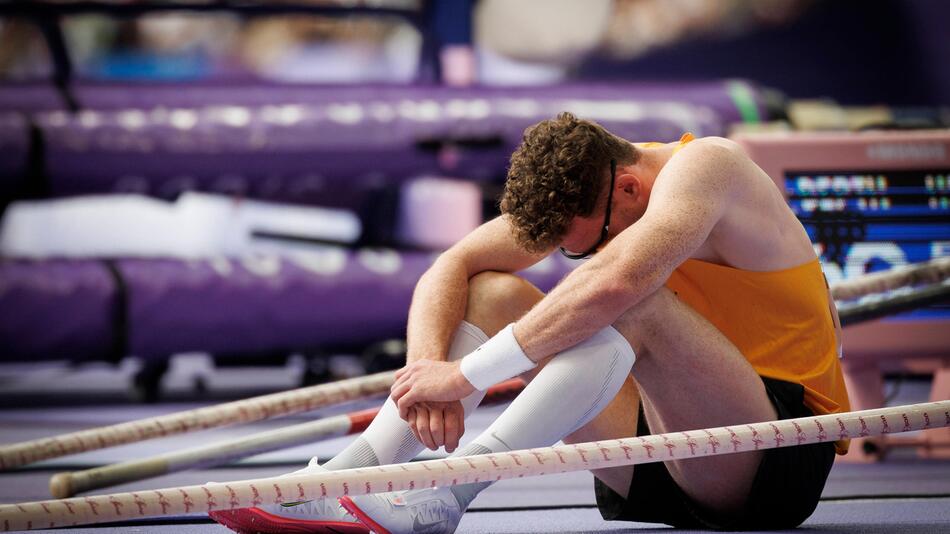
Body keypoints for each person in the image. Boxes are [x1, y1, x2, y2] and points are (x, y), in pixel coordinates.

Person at [211, 112, 850, 533]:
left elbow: (620, 280)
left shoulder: (710, 166)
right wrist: (429, 370)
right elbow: (452, 266)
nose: (582, 251)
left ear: (628, 189)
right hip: (662, 449)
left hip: (773, 455)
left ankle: (445, 499)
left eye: (585, 240)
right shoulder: (599, 194)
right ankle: (356, 472)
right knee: (489, 290)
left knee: (632, 298)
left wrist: (466, 376)